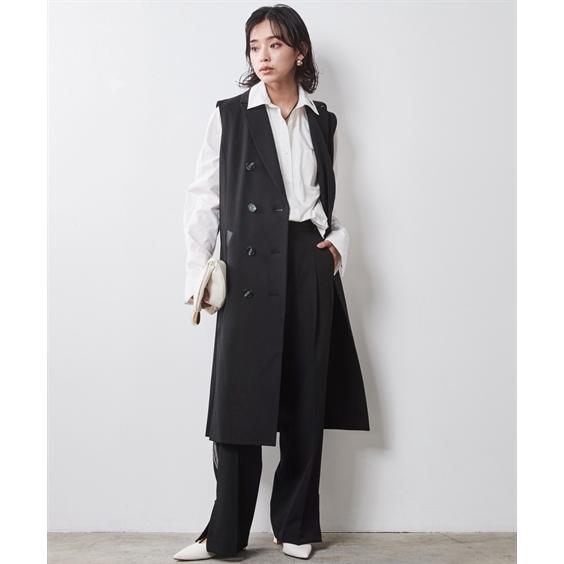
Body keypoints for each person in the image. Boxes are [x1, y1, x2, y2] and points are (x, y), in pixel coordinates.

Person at [175, 4, 370, 561]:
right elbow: (204, 197)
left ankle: (296, 526)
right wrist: (198, 270)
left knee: (305, 399)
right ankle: (224, 534)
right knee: (238, 402)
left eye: (275, 44)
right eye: (255, 45)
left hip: (307, 263)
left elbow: (329, 200)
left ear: (299, 52)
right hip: (247, 269)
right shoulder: (230, 116)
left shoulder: (323, 120)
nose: (263, 55)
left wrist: (337, 245)